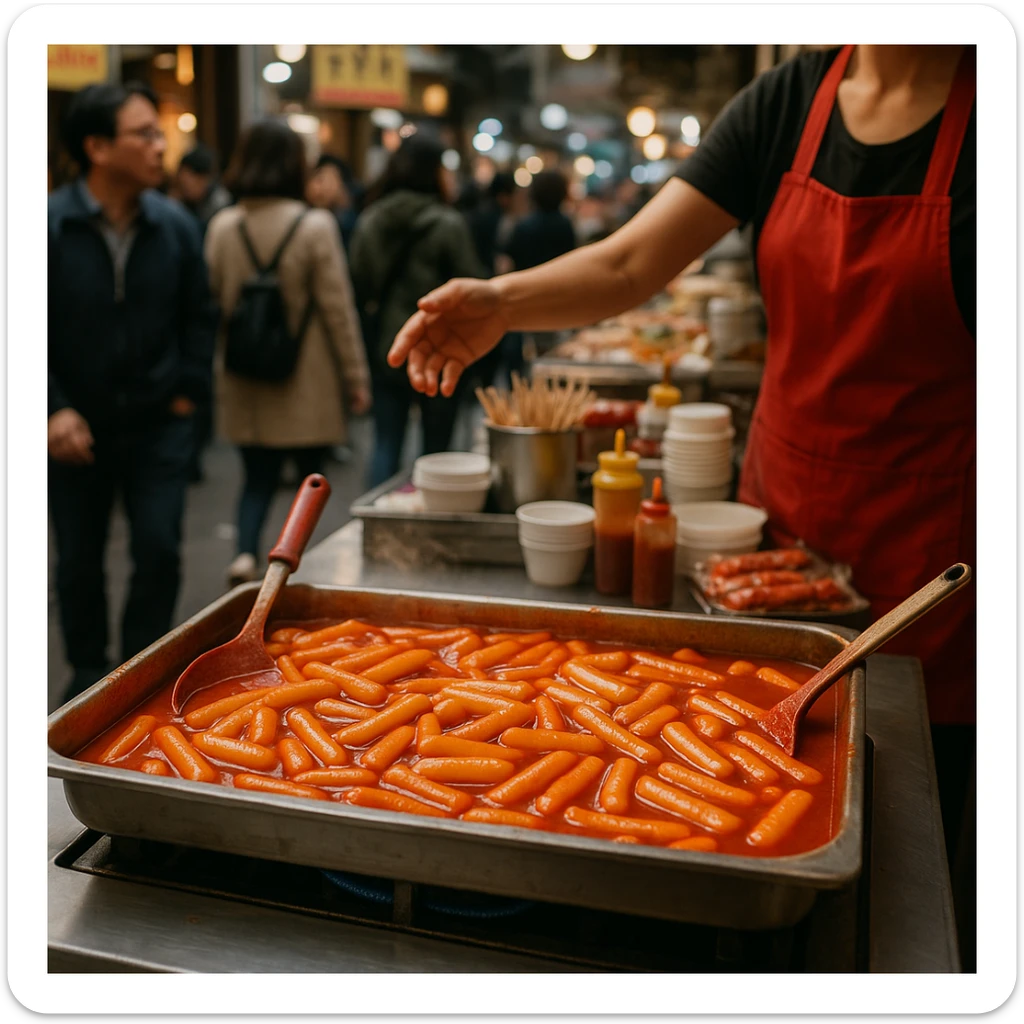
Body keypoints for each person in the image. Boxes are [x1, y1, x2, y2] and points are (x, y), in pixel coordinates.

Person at [387, 44, 976, 961]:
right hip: (767, 537)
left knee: (905, 873)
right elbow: (629, 264)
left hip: (934, 564)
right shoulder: (791, 101)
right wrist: (502, 302)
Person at [48, 81, 217, 704]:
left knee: (159, 549)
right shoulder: (46, 226)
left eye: (157, 131)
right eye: (143, 133)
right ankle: (88, 675)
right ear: (96, 146)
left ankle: (138, 674)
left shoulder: (174, 225)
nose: (159, 144)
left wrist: (187, 396)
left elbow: (200, 317)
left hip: (158, 425)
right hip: (73, 431)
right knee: (77, 563)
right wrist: (50, 407)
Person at [205, 118, 372, 587]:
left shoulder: (223, 226)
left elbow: (214, 303)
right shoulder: (314, 225)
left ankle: (243, 553)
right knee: (309, 482)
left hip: (245, 375)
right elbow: (339, 310)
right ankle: (305, 568)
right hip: (307, 378)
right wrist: (356, 379)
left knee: (255, 476)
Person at [348, 135, 482, 488]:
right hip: (438, 344)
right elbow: (471, 285)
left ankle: (378, 518)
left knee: (386, 441)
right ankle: (428, 518)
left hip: (387, 345)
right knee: (436, 448)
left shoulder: (372, 218)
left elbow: (357, 284)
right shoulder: (447, 222)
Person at [174, 144, 233, 240]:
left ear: (204, 179)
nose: (184, 189)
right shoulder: (180, 202)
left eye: (186, 183)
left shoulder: (220, 205)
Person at [306, 153, 360, 253]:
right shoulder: (306, 221)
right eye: (317, 179)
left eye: (321, 179)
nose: (316, 188)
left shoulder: (354, 221)